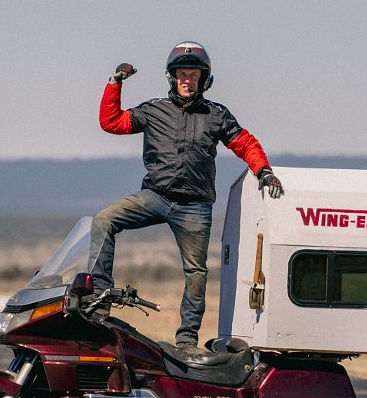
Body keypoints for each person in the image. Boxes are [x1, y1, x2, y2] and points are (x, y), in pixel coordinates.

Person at [90, 41, 283, 356]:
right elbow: (111, 123)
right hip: (155, 195)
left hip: (194, 206)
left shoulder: (216, 115)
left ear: (204, 79)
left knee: (196, 272)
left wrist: (264, 171)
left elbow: (245, 143)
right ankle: (97, 300)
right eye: (181, 73)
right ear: (172, 77)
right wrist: (115, 84)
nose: (187, 79)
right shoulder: (153, 110)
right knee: (103, 220)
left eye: (193, 74)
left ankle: (186, 341)